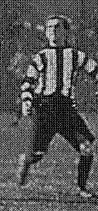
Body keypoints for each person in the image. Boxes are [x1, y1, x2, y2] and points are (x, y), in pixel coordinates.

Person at [17, 15, 98, 198]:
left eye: (57, 27)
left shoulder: (76, 55)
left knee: (86, 148)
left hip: (67, 109)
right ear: (46, 32)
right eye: (50, 28)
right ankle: (26, 160)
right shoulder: (41, 56)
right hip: (44, 109)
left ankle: (82, 188)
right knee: (36, 155)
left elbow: (95, 71)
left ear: (66, 32)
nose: (53, 31)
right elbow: (28, 82)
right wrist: (26, 101)